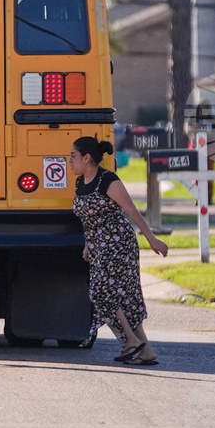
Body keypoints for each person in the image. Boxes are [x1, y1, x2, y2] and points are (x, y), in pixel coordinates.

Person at [70, 136, 168, 366]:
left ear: (87, 158)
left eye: (73, 156)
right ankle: (146, 351)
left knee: (102, 292)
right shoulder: (80, 182)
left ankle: (131, 341)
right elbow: (87, 219)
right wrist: (88, 244)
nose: (70, 161)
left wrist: (152, 239)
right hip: (98, 245)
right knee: (121, 297)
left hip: (118, 242)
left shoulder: (108, 180)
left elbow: (132, 210)